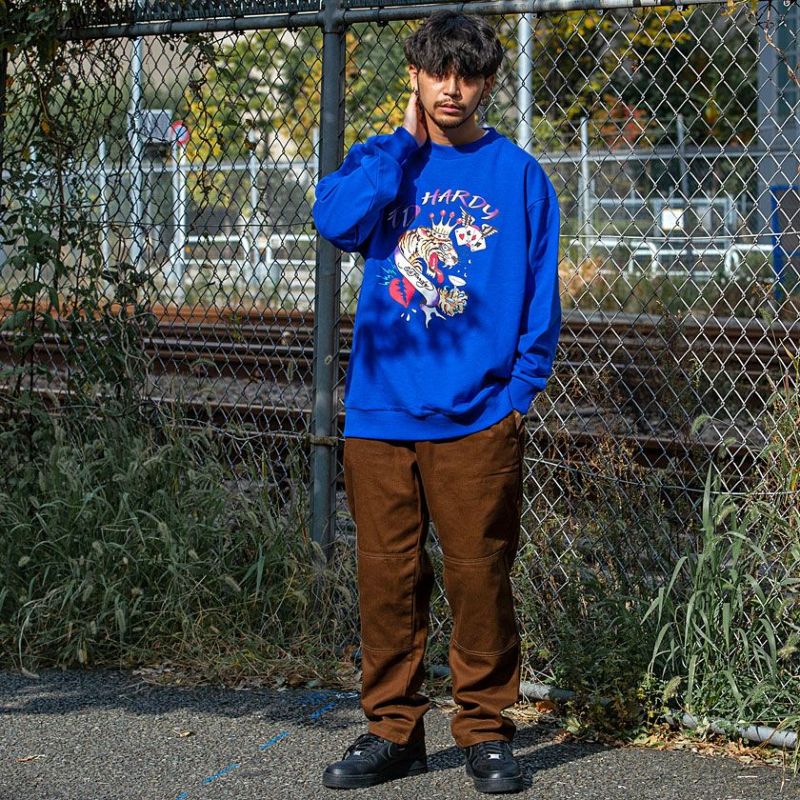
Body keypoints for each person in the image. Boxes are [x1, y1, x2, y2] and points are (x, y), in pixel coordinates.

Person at [312, 10, 561, 795]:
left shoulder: (518, 175)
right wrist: (400, 148)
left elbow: (540, 295)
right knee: (387, 577)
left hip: (479, 417)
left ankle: (485, 730)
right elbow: (334, 219)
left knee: (479, 575)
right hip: (381, 414)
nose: (452, 88)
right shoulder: (382, 159)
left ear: (487, 83)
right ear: (415, 76)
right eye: (438, 72)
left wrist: (517, 395)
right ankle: (393, 731)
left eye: (468, 75)